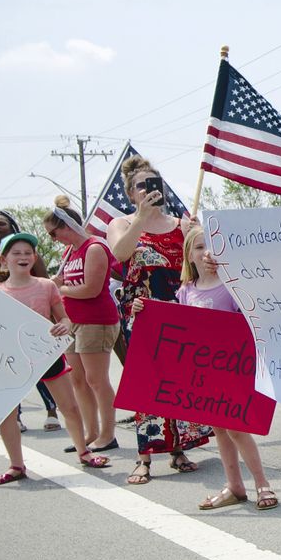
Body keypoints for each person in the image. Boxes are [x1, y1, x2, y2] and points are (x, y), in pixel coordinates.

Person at [106, 154, 205, 482]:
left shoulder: (181, 224)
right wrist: (140, 218)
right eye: (141, 187)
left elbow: (199, 263)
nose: (150, 190)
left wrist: (195, 234)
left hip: (180, 310)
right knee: (147, 384)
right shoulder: (121, 224)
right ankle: (144, 457)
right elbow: (120, 255)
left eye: (155, 184)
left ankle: (178, 450)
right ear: (131, 193)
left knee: (179, 382)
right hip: (142, 313)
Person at [164, 223, 278, 512]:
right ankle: (234, 485)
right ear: (189, 255)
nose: (206, 253)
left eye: (212, 246)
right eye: (200, 247)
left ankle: (262, 482)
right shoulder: (186, 291)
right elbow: (180, 328)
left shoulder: (232, 286)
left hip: (232, 370)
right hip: (205, 374)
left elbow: (250, 324)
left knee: (236, 428)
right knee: (220, 430)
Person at [0, 232, 104, 485]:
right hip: (10, 359)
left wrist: (64, 326)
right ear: (4, 259)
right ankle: (16, 465)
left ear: (34, 258)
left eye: (27, 253)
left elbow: (64, 318)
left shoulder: (46, 286)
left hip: (44, 354)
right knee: (6, 414)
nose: (23, 257)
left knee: (69, 407)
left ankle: (83, 451)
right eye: (16, 253)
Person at [47, 198, 123, 456]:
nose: (52, 238)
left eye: (53, 232)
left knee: (96, 379)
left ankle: (107, 434)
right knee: (78, 380)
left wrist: (61, 288)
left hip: (96, 320)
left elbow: (91, 289)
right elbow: (63, 283)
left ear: (66, 226)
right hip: (72, 322)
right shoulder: (68, 252)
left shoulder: (94, 248)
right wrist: (57, 284)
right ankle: (90, 431)